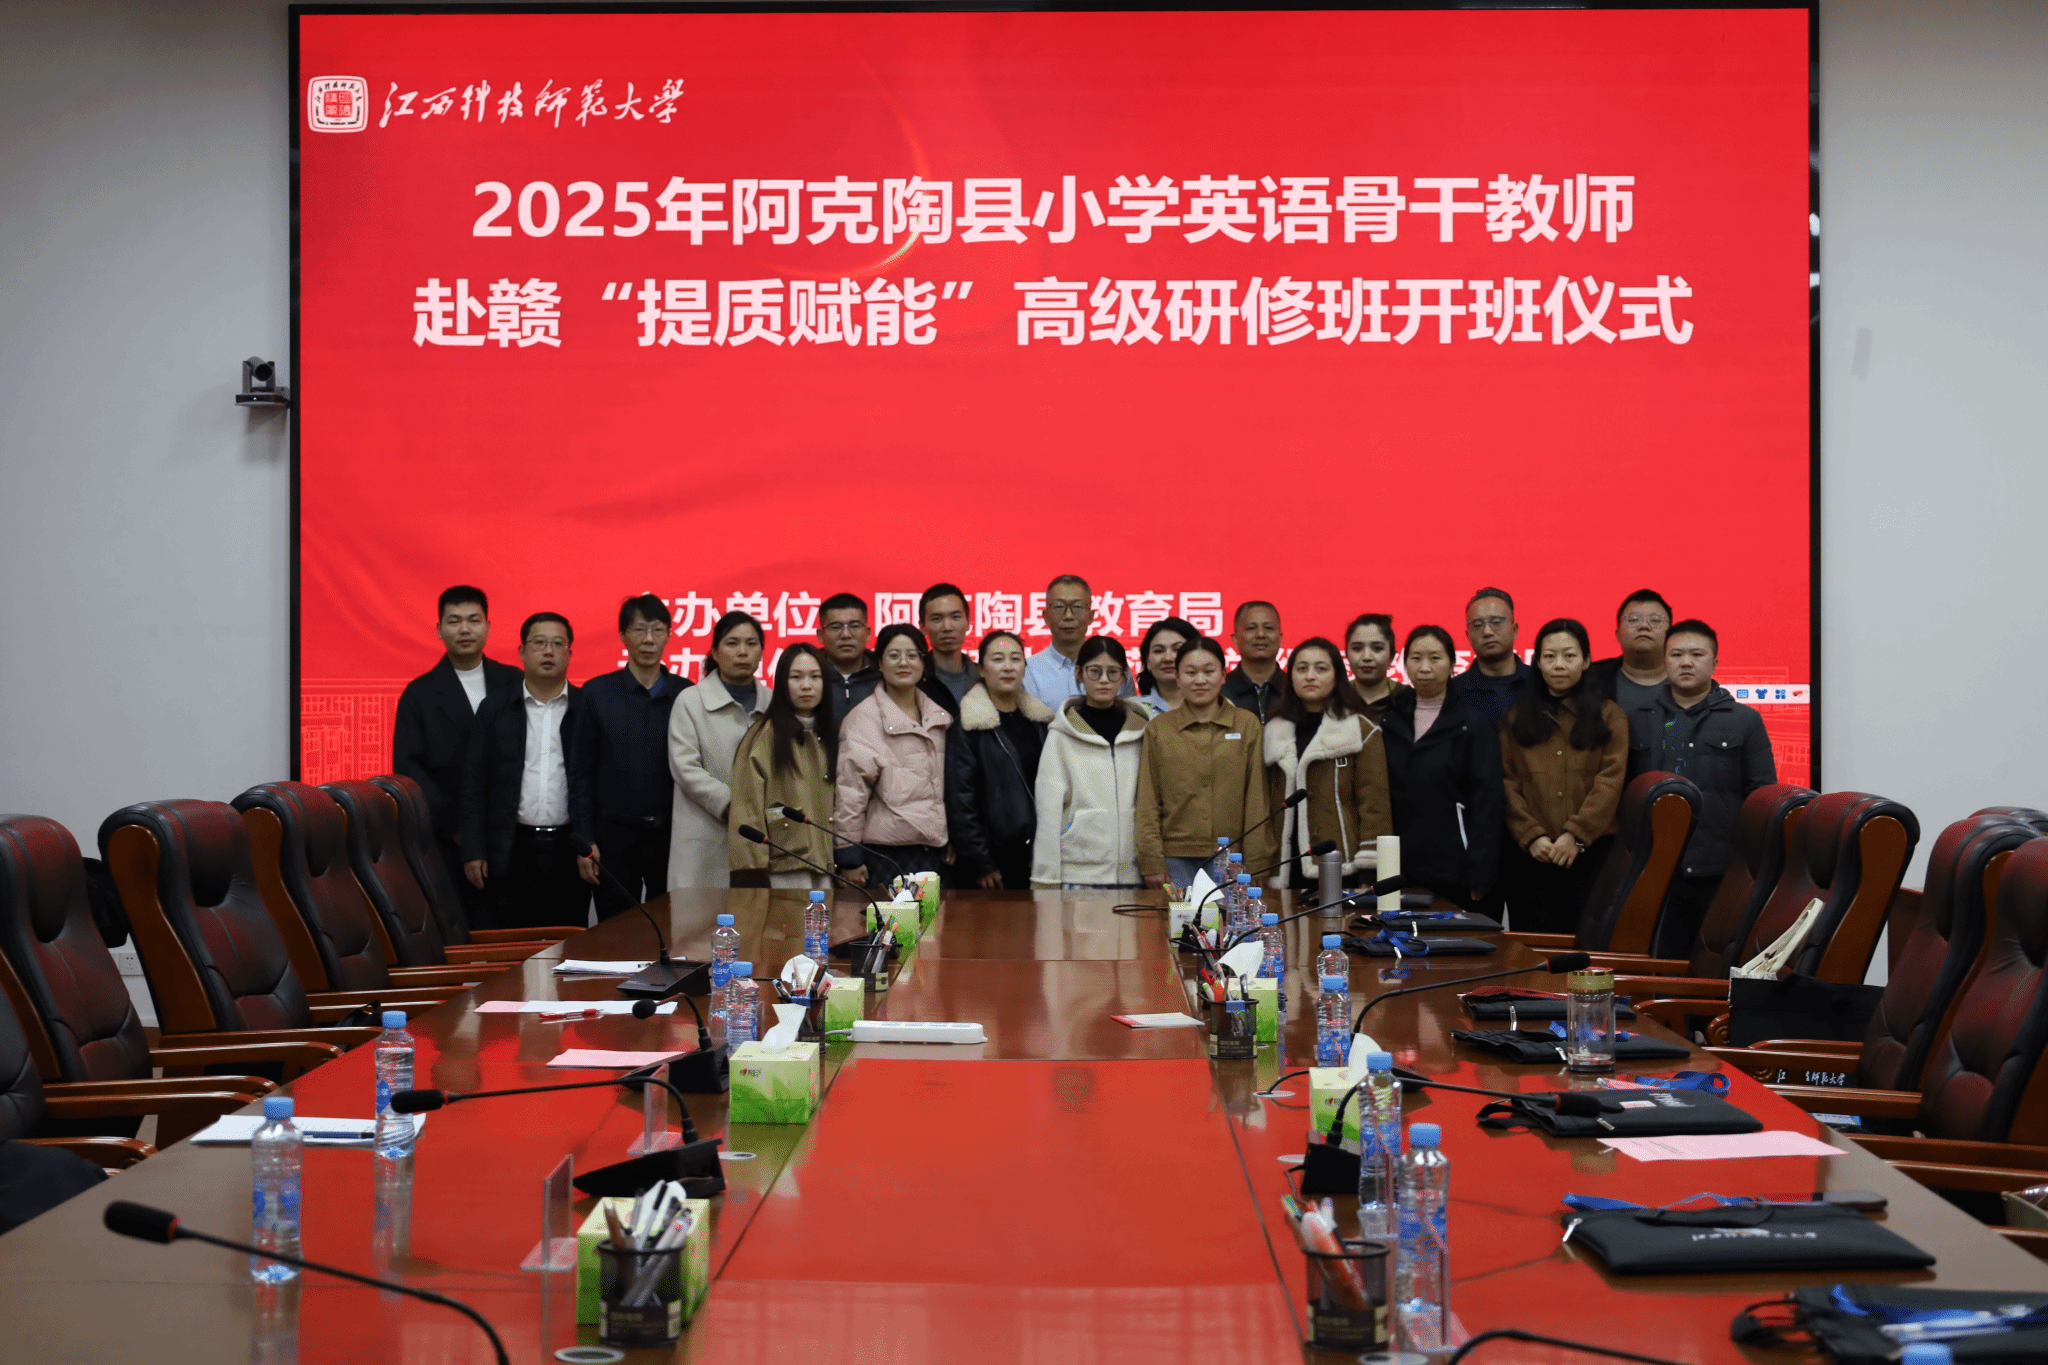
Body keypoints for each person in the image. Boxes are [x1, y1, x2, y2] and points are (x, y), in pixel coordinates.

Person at [1643, 620, 1778, 956]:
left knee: (1714, 964)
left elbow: (1762, 797)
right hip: (1654, 868)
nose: (1686, 662)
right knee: (1659, 965)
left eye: (1697, 654)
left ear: (1715, 662)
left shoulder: (1745, 720)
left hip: (1722, 869)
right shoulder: (1640, 718)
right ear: (1664, 661)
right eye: (1677, 654)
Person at [392, 585, 522, 926]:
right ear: (439, 629)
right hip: (449, 842)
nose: (465, 629)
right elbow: (408, 768)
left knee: (520, 934)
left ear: (488, 626)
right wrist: (458, 828)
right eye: (454, 621)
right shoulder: (419, 694)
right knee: (465, 930)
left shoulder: (514, 683)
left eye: (473, 620)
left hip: (514, 836)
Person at [458, 612, 597, 928]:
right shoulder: (495, 708)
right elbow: (473, 783)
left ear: (569, 653)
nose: (548, 652)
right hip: (511, 848)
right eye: (539, 643)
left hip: (569, 848)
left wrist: (589, 844)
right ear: (522, 651)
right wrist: (473, 849)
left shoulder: (586, 708)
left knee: (569, 943)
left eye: (557, 644)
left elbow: (594, 783)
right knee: (516, 942)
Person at [1497, 619, 1630, 935]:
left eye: (1569, 656)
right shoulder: (1516, 717)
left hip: (1591, 854)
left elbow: (1610, 782)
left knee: (1585, 946)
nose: (1559, 665)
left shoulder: (1610, 716)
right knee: (1532, 949)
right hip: (1532, 856)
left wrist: (1576, 835)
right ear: (1537, 662)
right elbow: (1506, 781)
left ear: (1586, 661)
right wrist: (1532, 836)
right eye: (1549, 656)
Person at [577, 594, 689, 919]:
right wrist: (585, 840)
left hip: (670, 835)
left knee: (670, 926)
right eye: (639, 630)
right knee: (616, 930)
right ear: (623, 635)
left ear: (669, 634)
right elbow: (580, 772)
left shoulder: (686, 694)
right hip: (612, 836)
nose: (649, 640)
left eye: (657, 630)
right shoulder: (596, 693)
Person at [1136, 637, 1273, 890]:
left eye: (1208, 672)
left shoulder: (1246, 724)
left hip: (1233, 857)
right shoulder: (1159, 729)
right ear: (1177, 678)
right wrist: (1151, 861)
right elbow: (1148, 800)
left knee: (1233, 917)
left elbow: (1257, 797)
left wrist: (1257, 859)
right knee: (1180, 918)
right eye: (1190, 673)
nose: (1200, 680)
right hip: (1175, 858)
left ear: (1223, 676)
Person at [1381, 625, 1502, 910]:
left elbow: (1487, 800)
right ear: (1404, 663)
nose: (1425, 668)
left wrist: (1480, 871)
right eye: (1416, 658)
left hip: (1454, 868)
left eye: (1435, 658)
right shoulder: (1389, 718)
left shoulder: (1472, 722)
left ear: (1452, 663)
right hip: (1398, 865)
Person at [1264, 637, 1393, 889]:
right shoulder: (1271, 732)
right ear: (1290, 677)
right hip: (1281, 866)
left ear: (1337, 676)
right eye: (1301, 668)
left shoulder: (1360, 730)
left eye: (1321, 668)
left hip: (1340, 863)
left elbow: (1374, 806)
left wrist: (1369, 871)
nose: (1310, 676)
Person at [834, 623, 952, 885]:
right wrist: (849, 856)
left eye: (912, 655)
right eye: (894, 655)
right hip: (885, 854)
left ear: (923, 663)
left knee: (936, 914)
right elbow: (850, 794)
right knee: (894, 915)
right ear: (879, 663)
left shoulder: (940, 717)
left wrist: (955, 835)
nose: (903, 663)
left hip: (935, 852)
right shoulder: (863, 719)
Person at [1030, 636, 1151, 890]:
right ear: (1079, 673)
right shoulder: (1062, 734)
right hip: (1079, 874)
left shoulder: (1143, 732)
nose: (1104, 680)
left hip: (1137, 873)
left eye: (1113, 672)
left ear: (1124, 677)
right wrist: (1045, 878)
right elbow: (1048, 810)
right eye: (1095, 671)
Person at [665, 611, 769, 888]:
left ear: (761, 652)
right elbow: (685, 767)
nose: (743, 652)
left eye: (751, 643)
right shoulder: (691, 701)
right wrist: (733, 805)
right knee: (701, 912)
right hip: (705, 835)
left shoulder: (775, 703)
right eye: (732, 643)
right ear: (714, 652)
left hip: (762, 835)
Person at [946, 630, 1052, 889]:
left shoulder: (1041, 723)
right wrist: (981, 861)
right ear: (981, 669)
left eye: (1015, 659)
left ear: (1025, 668)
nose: (1008, 667)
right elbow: (961, 799)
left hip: (1036, 856)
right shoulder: (968, 727)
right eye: (997, 659)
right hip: (991, 862)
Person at [727, 643, 838, 889]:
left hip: (827, 869)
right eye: (796, 677)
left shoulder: (831, 735)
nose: (806, 685)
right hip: (782, 871)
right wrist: (751, 879)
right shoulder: (763, 738)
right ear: (781, 683)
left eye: (815, 677)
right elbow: (748, 813)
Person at [1586, 589, 1674, 780]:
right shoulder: (1588, 681)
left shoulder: (1690, 683)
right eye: (1633, 620)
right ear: (1618, 634)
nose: (1644, 626)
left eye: (1655, 620)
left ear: (1671, 634)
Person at [1023, 574, 1133, 706]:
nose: (1068, 616)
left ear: (1091, 616)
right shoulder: (1027, 671)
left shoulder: (1115, 668)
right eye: (1059, 607)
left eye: (1077, 607)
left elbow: (1132, 715)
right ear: (1046, 617)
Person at [1446, 586, 1536, 726]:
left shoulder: (1540, 683)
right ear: (1468, 636)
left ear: (1514, 630)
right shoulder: (1451, 693)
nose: (1487, 632)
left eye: (1496, 622)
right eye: (1478, 625)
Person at [816, 592, 880, 719]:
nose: (846, 635)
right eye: (835, 627)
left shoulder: (885, 675)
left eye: (854, 626)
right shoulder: (807, 678)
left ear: (867, 633)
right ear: (821, 635)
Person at [1222, 600, 1291, 719]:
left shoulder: (1295, 689)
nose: (1260, 634)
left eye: (1268, 628)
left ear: (1280, 638)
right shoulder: (1220, 691)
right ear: (1235, 639)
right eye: (1251, 628)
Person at [1344, 613, 1411, 727]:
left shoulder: (1409, 700)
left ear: (1391, 657)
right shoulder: (1334, 700)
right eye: (1357, 648)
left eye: (1377, 648)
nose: (1366, 657)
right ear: (1347, 655)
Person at [919, 583, 978, 709]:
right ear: (923, 626)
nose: (947, 627)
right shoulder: (914, 678)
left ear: (968, 622)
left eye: (955, 617)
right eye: (937, 619)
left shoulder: (985, 677)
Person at [1135, 615, 1196, 716]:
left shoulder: (1214, 707)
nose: (1168, 658)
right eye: (1159, 651)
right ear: (1147, 661)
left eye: (1178, 650)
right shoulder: (1132, 709)